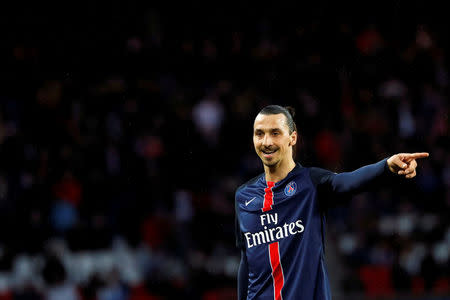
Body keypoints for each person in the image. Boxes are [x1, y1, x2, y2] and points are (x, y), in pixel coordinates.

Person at [235, 105, 429, 300]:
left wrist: (386, 166)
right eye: (259, 134)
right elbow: (247, 262)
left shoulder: (310, 183)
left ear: (292, 137)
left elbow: (348, 181)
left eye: (275, 133)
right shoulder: (243, 197)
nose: (266, 141)